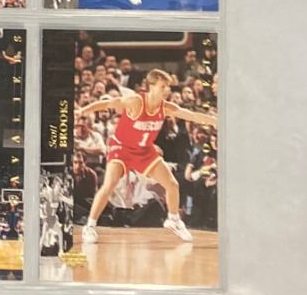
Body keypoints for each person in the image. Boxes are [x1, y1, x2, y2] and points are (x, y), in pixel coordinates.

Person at [75, 69, 213, 244]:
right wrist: (83, 110)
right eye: (163, 86)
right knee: (109, 184)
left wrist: (216, 121)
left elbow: (192, 115)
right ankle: (90, 226)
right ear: (151, 86)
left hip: (144, 151)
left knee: (172, 184)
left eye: (168, 87)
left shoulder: (166, 107)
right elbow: (109, 103)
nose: (167, 90)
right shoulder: (136, 102)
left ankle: (173, 219)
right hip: (122, 148)